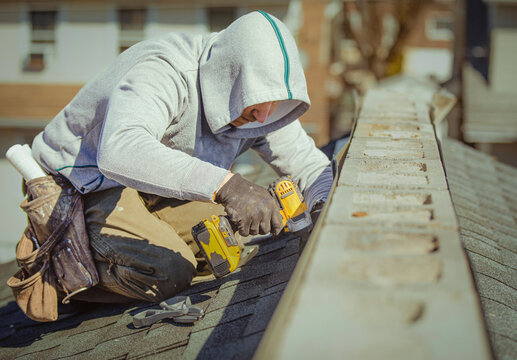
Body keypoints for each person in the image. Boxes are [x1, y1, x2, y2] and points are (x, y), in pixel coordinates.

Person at [30, 11, 333, 303]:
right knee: (166, 270)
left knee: (227, 240)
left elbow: (309, 164)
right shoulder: (166, 71)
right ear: (228, 73)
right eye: (255, 98)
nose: (263, 114)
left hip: (150, 183)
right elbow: (120, 149)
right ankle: (63, 272)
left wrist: (323, 214)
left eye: (275, 102)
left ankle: (147, 232)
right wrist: (228, 186)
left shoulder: (261, 106)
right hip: (84, 183)